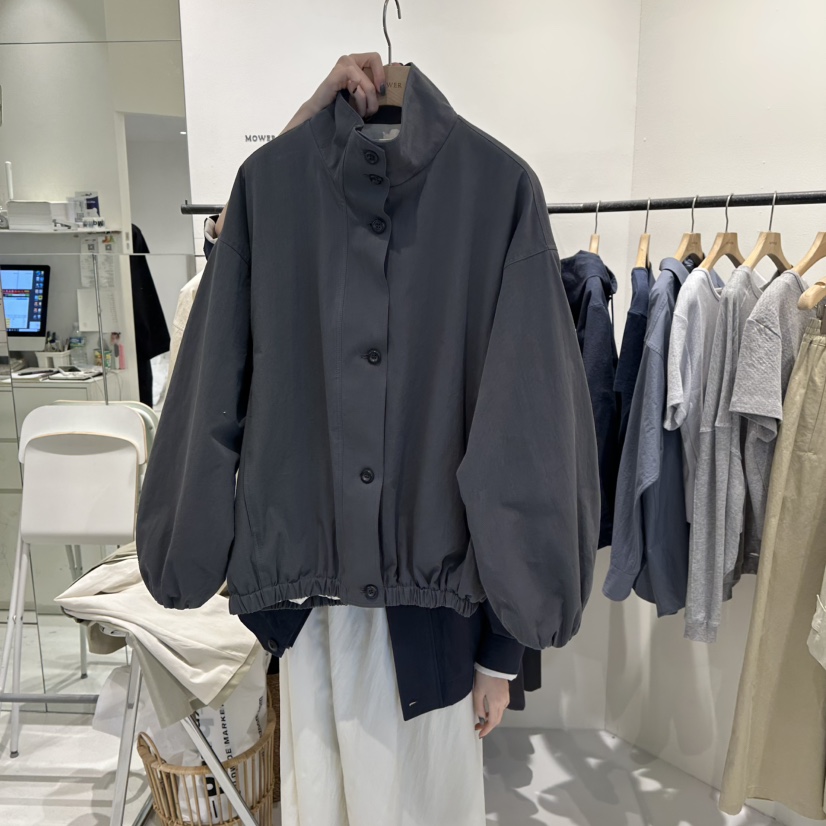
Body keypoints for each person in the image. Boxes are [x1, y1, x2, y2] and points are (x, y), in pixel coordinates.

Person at [189, 54, 518, 826]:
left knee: (424, 802)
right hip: (313, 611)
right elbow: (223, 336)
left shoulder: (494, 194)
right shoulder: (276, 196)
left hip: (431, 621)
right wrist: (301, 127)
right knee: (327, 796)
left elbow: (514, 450)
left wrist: (500, 653)